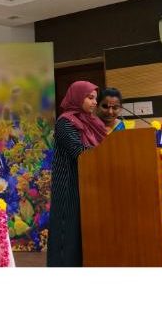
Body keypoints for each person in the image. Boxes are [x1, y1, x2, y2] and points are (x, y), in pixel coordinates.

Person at [47, 80, 106, 267]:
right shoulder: (65, 122)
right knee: (68, 234)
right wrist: (105, 153)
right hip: (69, 187)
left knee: (84, 234)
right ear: (78, 97)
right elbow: (79, 152)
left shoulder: (94, 123)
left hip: (88, 186)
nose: (95, 102)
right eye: (90, 97)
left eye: (95, 98)